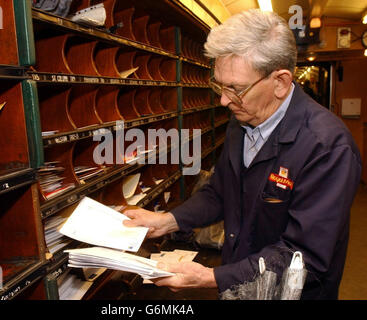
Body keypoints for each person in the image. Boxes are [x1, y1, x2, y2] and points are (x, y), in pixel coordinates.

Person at [123, 9, 362, 300]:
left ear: (281, 82)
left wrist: (211, 277)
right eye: (219, 86)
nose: (224, 100)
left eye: (235, 89)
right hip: (240, 286)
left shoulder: (327, 147)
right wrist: (168, 221)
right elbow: (221, 191)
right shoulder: (244, 119)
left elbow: (306, 257)